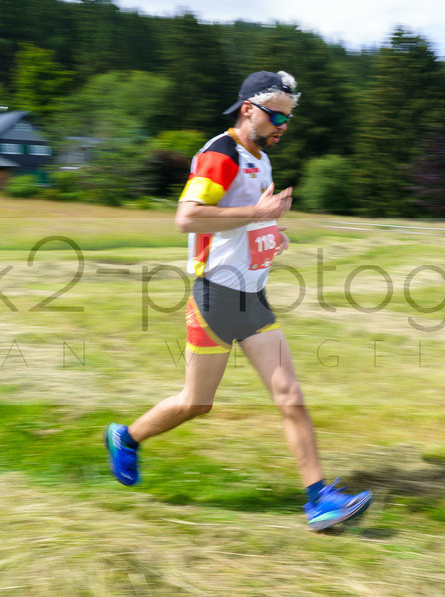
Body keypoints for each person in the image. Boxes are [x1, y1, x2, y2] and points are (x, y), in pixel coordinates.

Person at [105, 70, 371, 531]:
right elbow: (188, 218)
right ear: (248, 108)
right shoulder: (221, 154)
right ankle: (126, 438)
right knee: (196, 403)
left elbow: (241, 221)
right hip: (215, 297)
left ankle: (318, 500)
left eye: (287, 119)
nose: (282, 126)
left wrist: (270, 234)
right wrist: (259, 213)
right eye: (275, 116)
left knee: (290, 395)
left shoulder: (259, 158)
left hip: (252, 296)